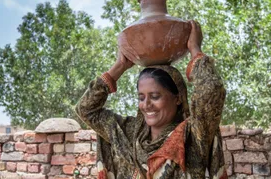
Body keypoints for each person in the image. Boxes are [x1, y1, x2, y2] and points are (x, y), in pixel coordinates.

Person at [75, 20, 227, 179]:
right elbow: (86, 110)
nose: (146, 105)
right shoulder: (127, 133)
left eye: (155, 96)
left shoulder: (193, 135)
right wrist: (119, 66)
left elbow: (211, 90)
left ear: (178, 98)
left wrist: (195, 50)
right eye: (141, 97)